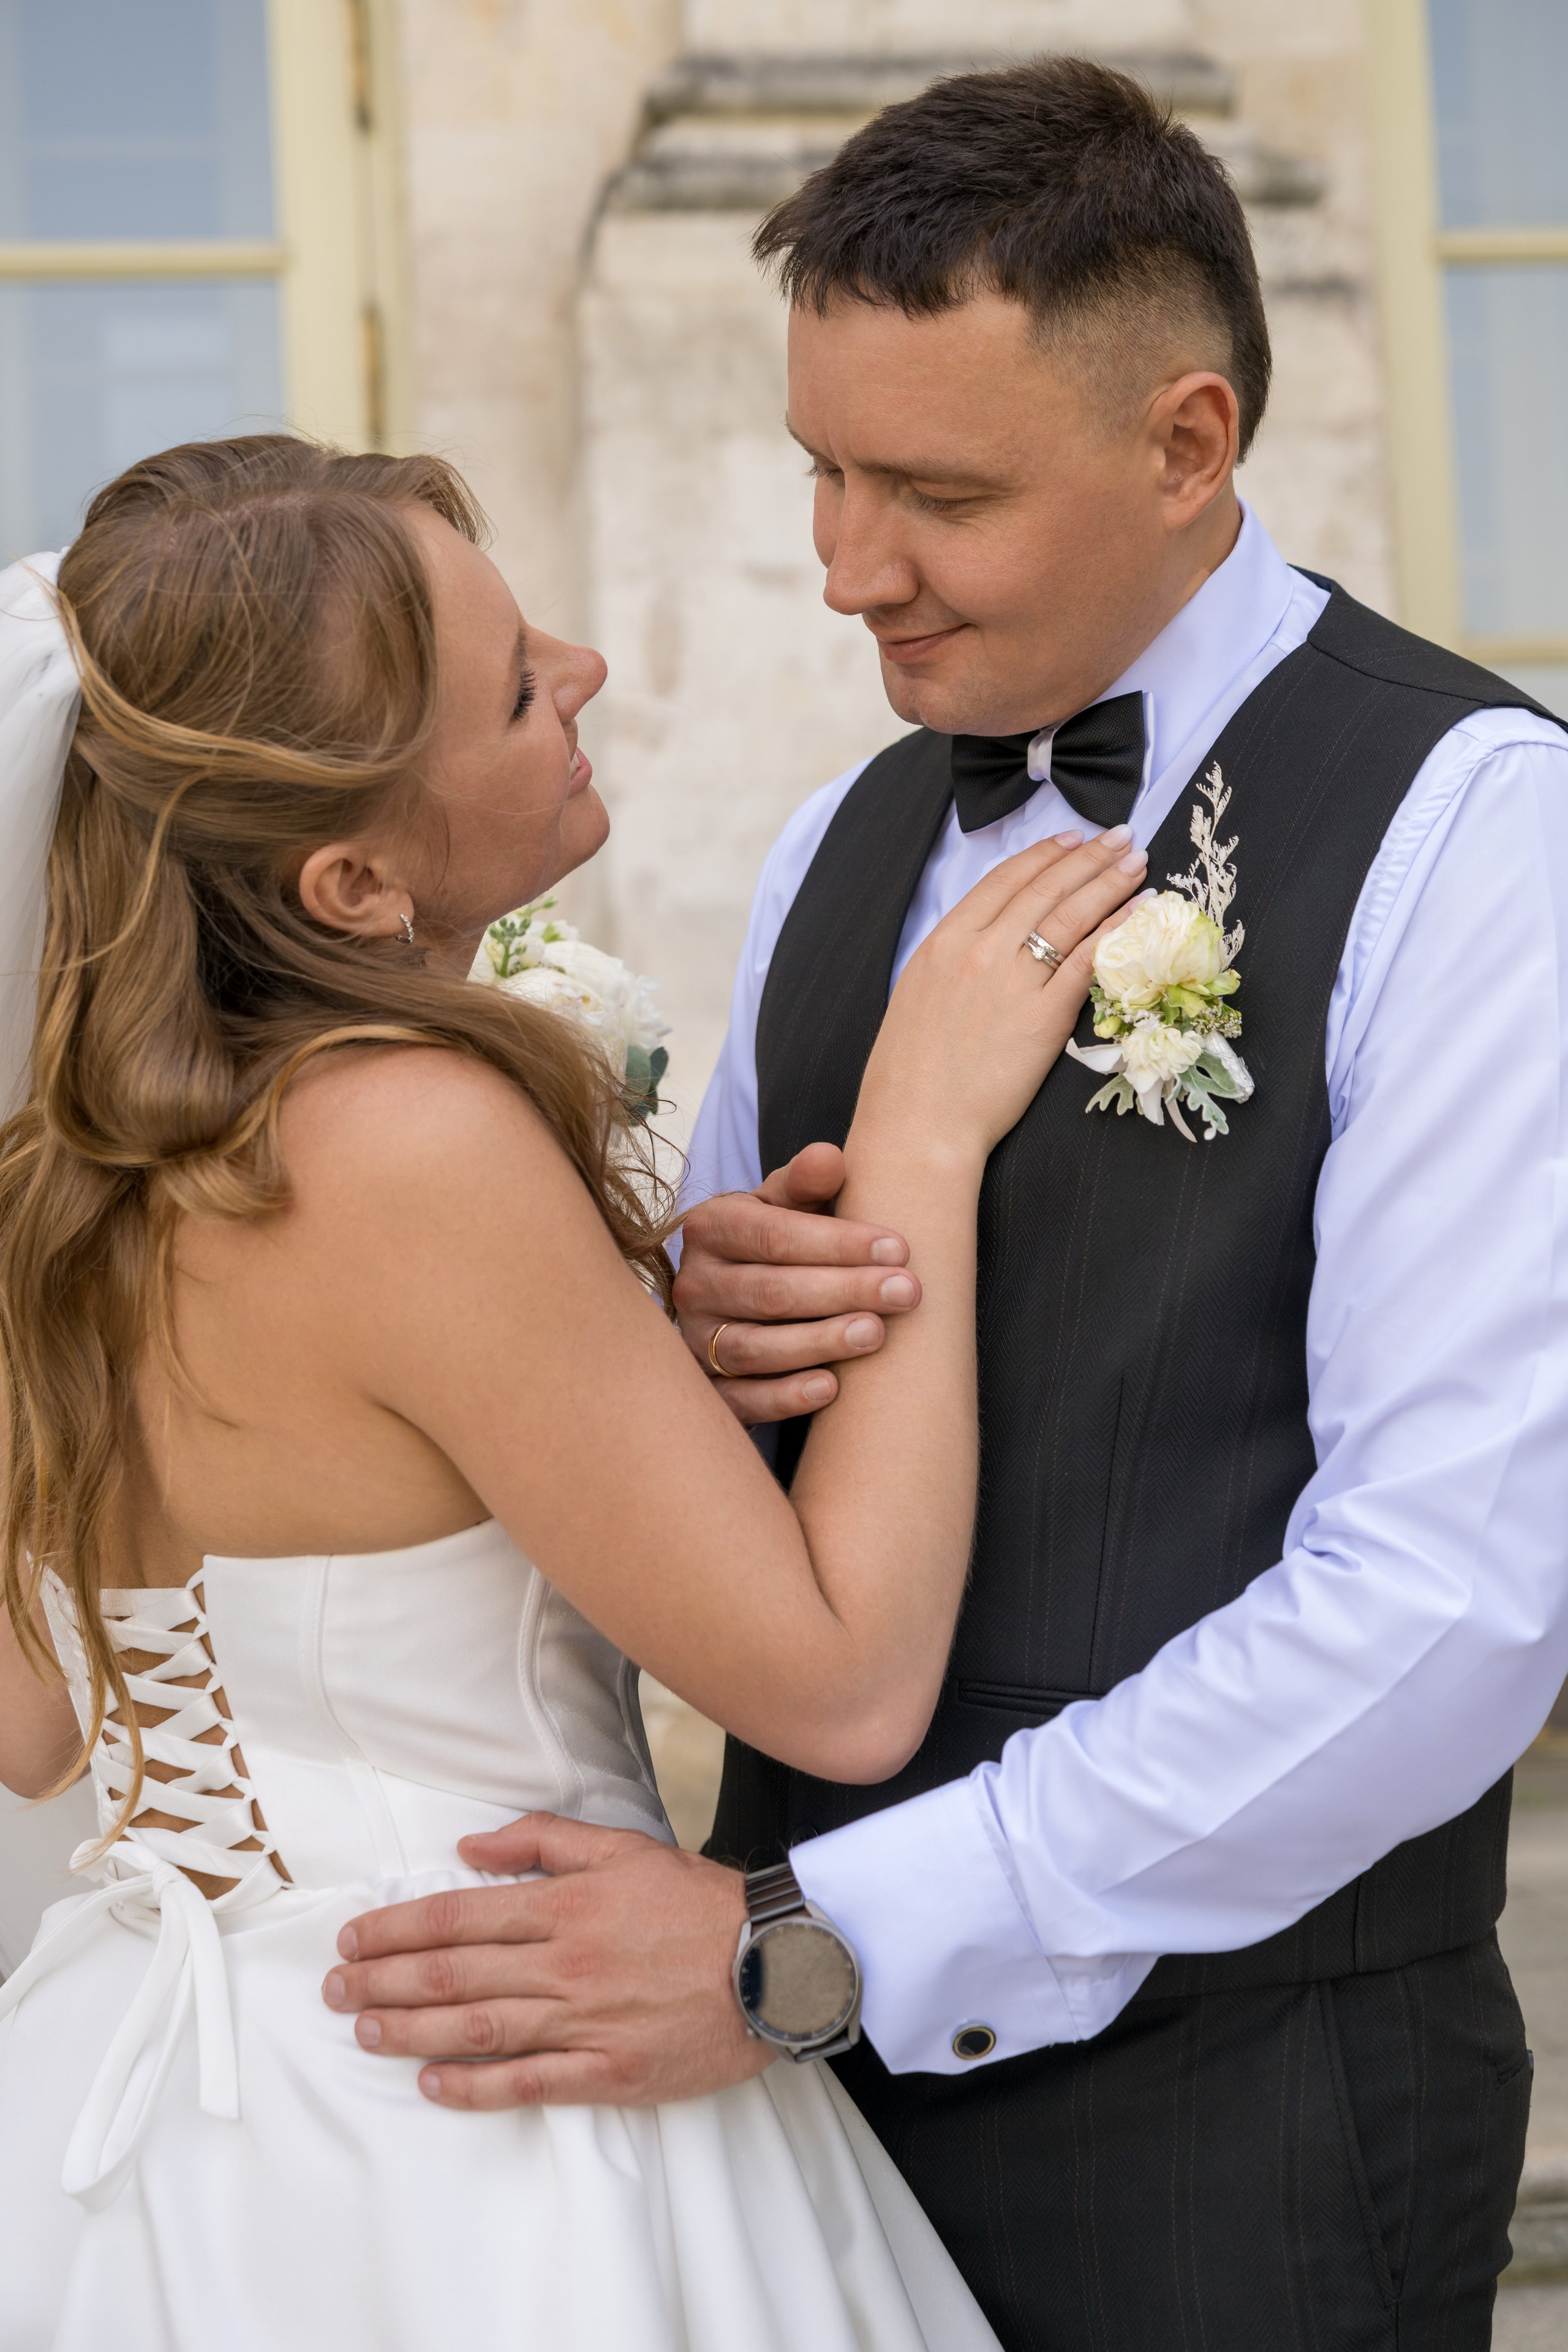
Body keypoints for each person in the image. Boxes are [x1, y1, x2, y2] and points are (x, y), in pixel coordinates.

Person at [325, 58, 1568, 2352]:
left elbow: (1452, 1602)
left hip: (1244, 2133)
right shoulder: (836, 847)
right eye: (819, 467)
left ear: (1190, 447)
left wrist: (825, 1948)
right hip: (776, 2133)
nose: (840, 567)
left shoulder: (1482, 834)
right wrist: (698, 1348)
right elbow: (691, 1489)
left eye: (935, 491)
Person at [0, 432, 1144, 2348]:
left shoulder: (71, 1160)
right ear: (354, 878)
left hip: (124, 2107)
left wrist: (605, 1371)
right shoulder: (405, 1138)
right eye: (519, 683)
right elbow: (844, 1683)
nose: (589, 669)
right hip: (467, 2095)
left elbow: (40, 1723)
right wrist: (926, 1139)